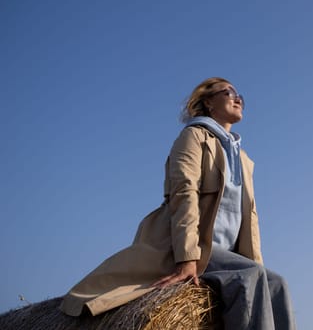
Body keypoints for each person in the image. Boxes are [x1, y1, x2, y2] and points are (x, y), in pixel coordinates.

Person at [59, 77, 296, 330]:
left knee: (276, 283)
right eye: (229, 92)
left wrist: (254, 261)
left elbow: (251, 218)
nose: (238, 99)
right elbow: (184, 193)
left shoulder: (243, 158)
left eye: (241, 96)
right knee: (249, 277)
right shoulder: (193, 136)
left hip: (227, 254)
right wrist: (187, 257)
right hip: (191, 244)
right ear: (208, 102)